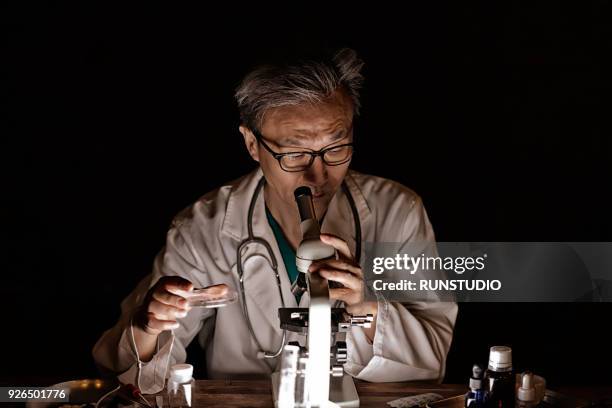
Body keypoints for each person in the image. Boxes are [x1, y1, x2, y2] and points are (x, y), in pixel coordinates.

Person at [92, 48, 458, 393]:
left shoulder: (397, 210)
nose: (318, 175)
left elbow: (432, 361)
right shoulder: (204, 227)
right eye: (295, 154)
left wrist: (364, 309)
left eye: (336, 147)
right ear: (252, 144)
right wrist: (149, 327)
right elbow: (132, 374)